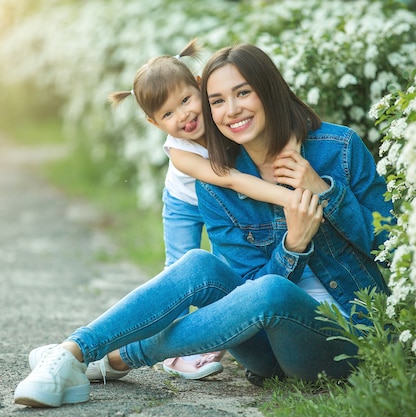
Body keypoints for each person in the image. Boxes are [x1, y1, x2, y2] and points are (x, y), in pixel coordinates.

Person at [13, 43, 392, 408]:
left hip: (346, 338)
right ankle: (70, 353)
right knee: (198, 263)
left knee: (273, 291)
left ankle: (114, 357)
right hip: (265, 351)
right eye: (218, 101)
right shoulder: (215, 185)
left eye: (243, 93)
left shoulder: (338, 148)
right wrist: (292, 247)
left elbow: (389, 245)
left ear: (269, 90)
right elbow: (245, 291)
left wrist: (325, 192)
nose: (232, 110)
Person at [108, 39, 294, 380]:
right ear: (154, 123)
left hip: (222, 204)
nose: (184, 116)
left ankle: (211, 338)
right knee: (179, 272)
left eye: (185, 100)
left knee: (223, 269)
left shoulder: (224, 114)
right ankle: (169, 349)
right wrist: (287, 198)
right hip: (185, 205)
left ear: (199, 86)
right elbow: (232, 179)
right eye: (167, 114)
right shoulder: (178, 150)